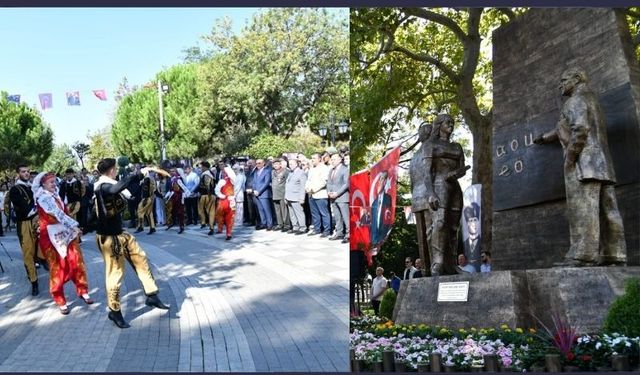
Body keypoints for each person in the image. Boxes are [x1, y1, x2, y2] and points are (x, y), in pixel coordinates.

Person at [534, 67, 626, 266]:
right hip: (603, 164)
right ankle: (614, 254)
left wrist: (570, 157)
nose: (560, 85)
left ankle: (582, 255)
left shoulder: (574, 101)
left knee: (583, 209)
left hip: (584, 165)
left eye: (563, 80)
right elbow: (567, 127)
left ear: (576, 79)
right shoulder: (592, 100)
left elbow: (580, 129)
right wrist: (544, 137)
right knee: (609, 210)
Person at [93, 158, 169, 328]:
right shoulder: (102, 186)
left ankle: (151, 295)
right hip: (109, 238)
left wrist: (141, 177)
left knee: (140, 258)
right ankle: (114, 311)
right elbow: (114, 188)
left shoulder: (112, 185)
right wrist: (136, 174)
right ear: (112, 170)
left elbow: (131, 192)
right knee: (115, 274)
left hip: (121, 233)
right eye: (115, 170)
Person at [33, 172, 93, 314]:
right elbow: (57, 215)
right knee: (57, 267)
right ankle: (59, 299)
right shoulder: (43, 198)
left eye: (55, 182)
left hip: (65, 233)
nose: (54, 184)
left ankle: (82, 290)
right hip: (51, 236)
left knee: (76, 260)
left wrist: (72, 227)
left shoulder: (56, 195)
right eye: (51, 183)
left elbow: (64, 213)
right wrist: (74, 226)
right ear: (43, 185)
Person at [424, 114, 470, 276]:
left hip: (454, 187)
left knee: (453, 227)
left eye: (452, 122)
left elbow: (461, 168)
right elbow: (427, 172)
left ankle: (452, 265)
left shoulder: (457, 146)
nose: (451, 125)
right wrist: (430, 193)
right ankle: (438, 262)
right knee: (440, 222)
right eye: (447, 122)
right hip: (439, 185)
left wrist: (458, 173)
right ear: (439, 125)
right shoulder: (430, 144)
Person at [7, 165, 41, 295]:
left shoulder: (32, 187)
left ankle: (41, 263)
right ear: (18, 173)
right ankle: (34, 281)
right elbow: (24, 208)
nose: (26, 173)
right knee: (28, 252)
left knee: (41, 248)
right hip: (25, 224)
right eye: (23, 172)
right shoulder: (15, 189)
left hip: (37, 221)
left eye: (27, 171)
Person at [305, 153, 331, 236]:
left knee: (324, 213)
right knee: (315, 213)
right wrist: (307, 188)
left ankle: (327, 230)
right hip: (311, 194)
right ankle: (317, 229)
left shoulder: (324, 168)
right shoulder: (312, 169)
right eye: (312, 158)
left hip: (320, 194)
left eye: (314, 158)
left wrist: (314, 189)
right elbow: (308, 180)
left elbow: (324, 181)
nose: (312, 160)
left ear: (320, 159)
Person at [327, 153, 350, 243]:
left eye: (334, 159)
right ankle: (339, 233)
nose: (332, 161)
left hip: (342, 197)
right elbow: (329, 183)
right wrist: (329, 192)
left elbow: (346, 184)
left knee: (345, 217)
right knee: (337, 217)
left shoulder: (345, 170)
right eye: (331, 159)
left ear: (340, 159)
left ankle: (348, 234)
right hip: (332, 197)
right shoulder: (331, 170)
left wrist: (337, 193)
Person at [285, 158, 307, 234]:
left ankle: (302, 227)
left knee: (299, 213)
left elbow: (302, 186)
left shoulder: (301, 173)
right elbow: (287, 185)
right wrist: (286, 196)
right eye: (289, 164)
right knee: (292, 214)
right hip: (289, 196)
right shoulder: (290, 173)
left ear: (296, 164)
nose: (290, 166)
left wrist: (302, 198)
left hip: (296, 196)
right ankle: (295, 226)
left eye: (291, 164)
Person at [370, 171, 392, 246]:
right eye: (379, 179)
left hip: (383, 234)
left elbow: (389, 218)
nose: (379, 182)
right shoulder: (373, 202)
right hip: (373, 236)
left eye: (382, 179)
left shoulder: (388, 198)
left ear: (385, 182)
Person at [215, 166, 237, 241]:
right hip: (224, 200)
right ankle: (221, 229)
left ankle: (228, 233)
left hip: (229, 201)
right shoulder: (222, 181)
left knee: (229, 217)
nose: (224, 173)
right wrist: (222, 196)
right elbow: (217, 191)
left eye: (225, 172)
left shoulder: (231, 180)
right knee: (221, 215)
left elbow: (234, 178)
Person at [251, 159, 273, 230]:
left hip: (264, 193)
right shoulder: (255, 172)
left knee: (267, 209)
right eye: (256, 163)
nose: (258, 165)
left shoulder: (267, 171)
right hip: (256, 193)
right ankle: (263, 223)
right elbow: (254, 182)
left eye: (259, 163)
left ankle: (269, 224)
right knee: (260, 209)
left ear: (263, 163)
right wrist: (254, 190)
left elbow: (266, 183)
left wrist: (259, 191)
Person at [135, 169, 157, 235]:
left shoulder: (147, 180)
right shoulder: (147, 179)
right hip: (149, 198)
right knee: (149, 213)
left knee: (139, 211)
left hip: (147, 198)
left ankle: (141, 226)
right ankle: (152, 228)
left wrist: (146, 198)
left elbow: (148, 190)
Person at [197, 161, 216, 235]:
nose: (200, 168)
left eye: (201, 167)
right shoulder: (208, 173)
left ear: (205, 167)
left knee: (210, 212)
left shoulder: (207, 174)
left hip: (207, 195)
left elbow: (208, 186)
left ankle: (211, 227)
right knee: (202, 211)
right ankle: (204, 223)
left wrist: (209, 195)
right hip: (206, 195)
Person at [271, 159, 290, 231]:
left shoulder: (285, 171)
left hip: (282, 193)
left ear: (280, 164)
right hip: (275, 194)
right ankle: (280, 224)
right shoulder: (273, 172)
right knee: (277, 210)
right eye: (274, 164)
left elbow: (288, 182)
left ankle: (286, 225)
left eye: (277, 164)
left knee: (284, 210)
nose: (275, 165)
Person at [462, 202, 482, 272]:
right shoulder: (464, 243)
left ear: (478, 222)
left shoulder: (482, 242)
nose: (473, 224)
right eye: (470, 221)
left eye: (475, 220)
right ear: (467, 223)